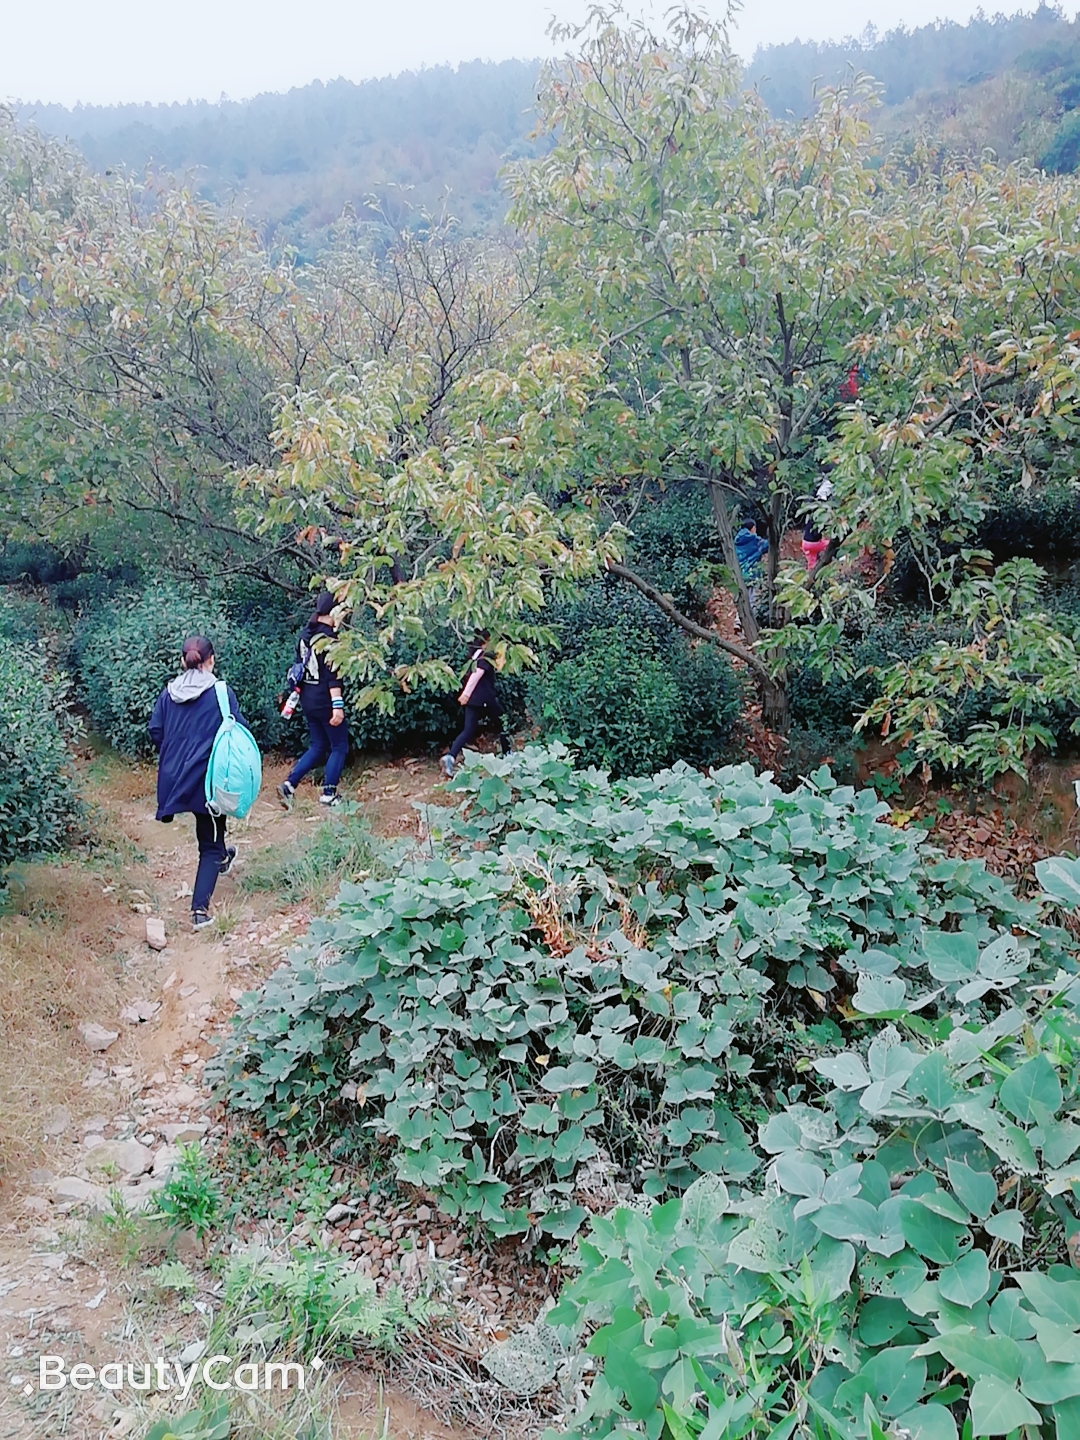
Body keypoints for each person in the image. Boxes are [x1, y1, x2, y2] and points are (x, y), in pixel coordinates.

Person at [149, 635, 246, 931]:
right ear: (211, 660)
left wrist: (176, 754)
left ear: (183, 661)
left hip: (176, 778)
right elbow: (239, 729)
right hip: (208, 779)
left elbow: (155, 731)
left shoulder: (168, 694)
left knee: (212, 831)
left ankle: (223, 857)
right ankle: (199, 912)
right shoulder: (220, 692)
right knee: (210, 844)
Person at [277, 590, 349, 810]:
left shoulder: (304, 635)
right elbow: (332, 675)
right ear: (333, 611)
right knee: (339, 746)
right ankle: (328, 794)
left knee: (318, 745)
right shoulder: (329, 639)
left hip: (307, 697)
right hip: (325, 699)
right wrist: (337, 705)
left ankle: (289, 784)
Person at [441, 630, 511, 778]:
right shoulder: (485, 656)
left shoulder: (474, 655)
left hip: (474, 700)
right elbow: (477, 674)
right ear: (486, 641)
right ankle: (508, 755)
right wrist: (466, 693)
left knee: (468, 730)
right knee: (503, 722)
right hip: (484, 698)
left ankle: (450, 757)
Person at [734, 517, 769, 603]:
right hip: (751, 573)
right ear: (753, 528)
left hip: (738, 573)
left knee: (741, 598)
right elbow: (767, 544)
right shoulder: (754, 540)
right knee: (752, 599)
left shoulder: (736, 541)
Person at [802, 477, 833, 572]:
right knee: (831, 544)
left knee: (811, 565)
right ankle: (840, 559)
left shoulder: (811, 513)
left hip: (804, 543)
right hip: (813, 543)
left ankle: (810, 577)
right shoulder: (820, 517)